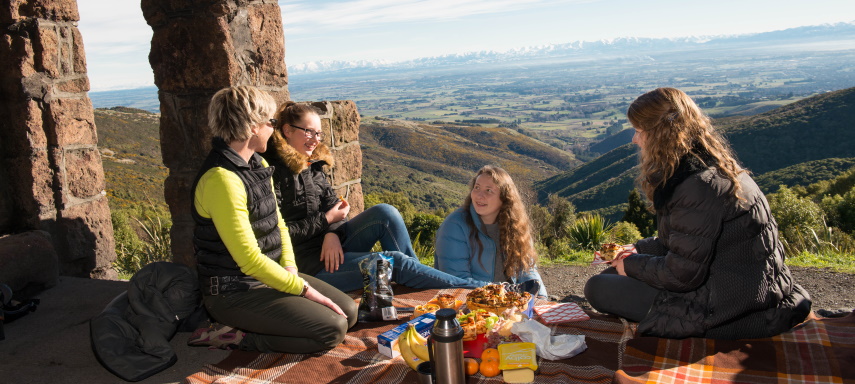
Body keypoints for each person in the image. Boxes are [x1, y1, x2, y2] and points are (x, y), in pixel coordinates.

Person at [584, 87, 811, 339]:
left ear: (660, 135)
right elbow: (688, 243)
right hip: (749, 287)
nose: (634, 140)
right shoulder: (710, 167)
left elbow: (681, 274)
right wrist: (636, 250)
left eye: (639, 131)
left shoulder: (697, 186)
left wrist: (631, 264)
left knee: (598, 287)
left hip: (729, 306)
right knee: (612, 275)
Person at [188, 86, 357, 353]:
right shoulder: (221, 180)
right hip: (234, 291)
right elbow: (248, 259)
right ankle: (237, 337)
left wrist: (289, 268)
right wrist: (303, 289)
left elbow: (279, 226)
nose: (273, 129)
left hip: (269, 276)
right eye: (270, 122)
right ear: (253, 126)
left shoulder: (259, 165)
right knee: (331, 329)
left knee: (349, 312)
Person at [261, 102, 489, 293]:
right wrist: (326, 221)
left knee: (385, 213)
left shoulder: (311, 164)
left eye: (318, 133)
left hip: (330, 246)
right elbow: (276, 235)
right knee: (390, 262)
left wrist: (331, 233)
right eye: (308, 131)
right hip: (309, 264)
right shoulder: (271, 172)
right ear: (287, 130)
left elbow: (336, 207)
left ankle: (418, 282)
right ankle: (475, 290)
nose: (315, 139)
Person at [435, 165, 548, 298]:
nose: (479, 195)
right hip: (469, 303)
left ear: (505, 198)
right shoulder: (455, 225)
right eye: (476, 187)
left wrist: (541, 298)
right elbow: (456, 281)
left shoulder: (516, 225)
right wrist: (502, 290)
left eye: (488, 190)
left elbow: (527, 269)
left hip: (509, 301)